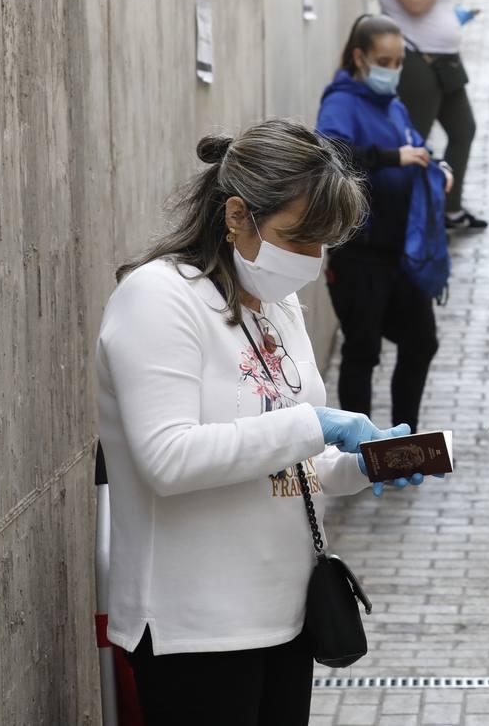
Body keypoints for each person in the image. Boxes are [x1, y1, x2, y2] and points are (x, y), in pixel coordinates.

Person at [97, 120, 429, 725]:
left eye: (321, 242)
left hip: (284, 615)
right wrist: (318, 424)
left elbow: (282, 467)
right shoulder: (158, 299)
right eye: (296, 238)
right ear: (236, 217)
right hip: (194, 628)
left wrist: (356, 468)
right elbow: (168, 460)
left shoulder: (278, 306)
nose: (310, 258)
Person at [316, 14, 452, 430]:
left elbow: (417, 145)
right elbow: (332, 154)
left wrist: (437, 165)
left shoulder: (392, 104)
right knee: (362, 349)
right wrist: (392, 158)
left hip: (400, 253)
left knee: (421, 341)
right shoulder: (340, 101)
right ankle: (359, 447)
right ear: (359, 57)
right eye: (384, 61)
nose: (392, 71)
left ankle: (402, 438)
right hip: (360, 252)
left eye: (398, 63)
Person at [373, 0, 488, 231]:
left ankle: (449, 209)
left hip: (445, 63)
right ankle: (406, 213)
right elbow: (415, 4)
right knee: (415, 140)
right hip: (418, 62)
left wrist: (455, 19)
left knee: (463, 129)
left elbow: (430, 7)